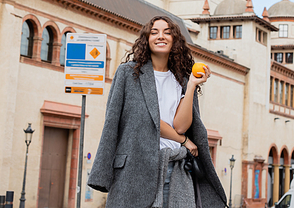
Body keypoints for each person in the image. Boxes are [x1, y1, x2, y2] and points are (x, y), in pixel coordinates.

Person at [87, 16, 227, 208]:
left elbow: (181, 125)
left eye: (167, 32)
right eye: (154, 32)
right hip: (135, 170)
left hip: (176, 169)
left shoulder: (182, 79)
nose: (161, 36)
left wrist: (192, 85)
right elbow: (121, 121)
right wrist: (184, 140)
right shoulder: (128, 73)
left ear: (175, 40)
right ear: (146, 39)